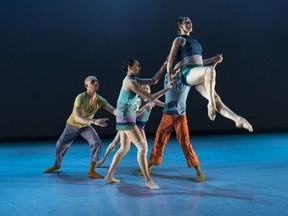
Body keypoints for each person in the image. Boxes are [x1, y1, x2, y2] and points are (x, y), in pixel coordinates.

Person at [166, 16, 253, 132]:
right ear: (180, 26)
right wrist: (170, 77)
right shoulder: (179, 40)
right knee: (209, 72)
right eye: (187, 22)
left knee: (217, 98)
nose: (190, 23)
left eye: (191, 21)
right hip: (187, 73)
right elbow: (171, 60)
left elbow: (199, 63)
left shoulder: (196, 42)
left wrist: (214, 60)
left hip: (198, 73)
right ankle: (210, 104)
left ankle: (237, 119)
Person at [104, 59, 174, 190]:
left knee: (124, 148)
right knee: (142, 147)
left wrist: (164, 65)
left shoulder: (132, 80)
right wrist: (168, 88)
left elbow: (154, 80)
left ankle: (109, 175)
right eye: (137, 66)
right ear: (130, 67)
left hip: (124, 116)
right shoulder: (131, 83)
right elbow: (151, 97)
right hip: (126, 117)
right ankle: (148, 180)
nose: (140, 68)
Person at [137, 70, 205, 182]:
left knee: (185, 143)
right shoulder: (167, 79)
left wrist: (214, 62)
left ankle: (198, 171)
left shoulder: (186, 81)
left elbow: (199, 67)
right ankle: (149, 166)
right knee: (159, 140)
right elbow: (170, 67)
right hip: (167, 115)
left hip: (180, 117)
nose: (176, 72)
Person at [44, 76, 116, 179]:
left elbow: (113, 110)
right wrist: (94, 121)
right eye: (93, 82)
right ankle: (56, 165)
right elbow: (78, 117)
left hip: (85, 126)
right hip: (72, 125)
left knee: (96, 142)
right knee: (60, 145)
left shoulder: (100, 99)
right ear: (87, 85)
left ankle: (91, 171)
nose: (96, 83)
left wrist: (126, 115)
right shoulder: (81, 97)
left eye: (97, 81)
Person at [95, 85, 164, 168]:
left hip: (141, 126)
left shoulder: (152, 100)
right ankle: (103, 160)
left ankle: (144, 167)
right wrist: (145, 107)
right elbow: (136, 114)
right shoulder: (138, 100)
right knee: (115, 143)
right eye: (143, 88)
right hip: (131, 124)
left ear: (149, 92)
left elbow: (165, 105)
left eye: (147, 88)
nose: (145, 89)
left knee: (144, 147)